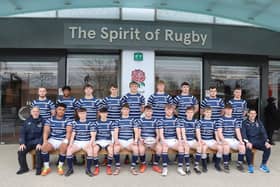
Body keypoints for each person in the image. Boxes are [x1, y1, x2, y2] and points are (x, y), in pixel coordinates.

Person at [40, 103, 72, 176]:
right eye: (59, 109)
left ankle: (60, 167)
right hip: (53, 139)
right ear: (56, 110)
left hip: (62, 139)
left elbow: (68, 132)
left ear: (65, 111)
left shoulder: (68, 120)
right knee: (44, 147)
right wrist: (45, 141)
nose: (61, 111)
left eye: (63, 110)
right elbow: (46, 131)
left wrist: (66, 141)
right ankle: (46, 167)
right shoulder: (50, 119)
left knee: (64, 147)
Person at [65, 108, 95, 177]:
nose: (82, 115)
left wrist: (90, 144)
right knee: (69, 151)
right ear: (78, 114)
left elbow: (93, 135)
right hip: (77, 142)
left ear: (86, 113)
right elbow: (73, 134)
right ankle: (70, 169)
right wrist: (70, 144)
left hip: (87, 141)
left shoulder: (90, 123)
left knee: (90, 151)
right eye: (80, 113)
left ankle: (88, 170)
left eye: (84, 113)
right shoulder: (75, 123)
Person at [120, 81, 145, 164]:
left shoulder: (141, 96)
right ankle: (127, 157)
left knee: (136, 138)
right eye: (132, 86)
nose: (134, 87)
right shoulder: (126, 96)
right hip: (128, 119)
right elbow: (124, 107)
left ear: (137, 87)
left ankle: (136, 157)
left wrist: (137, 115)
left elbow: (142, 108)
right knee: (128, 137)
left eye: (135, 86)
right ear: (130, 87)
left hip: (137, 119)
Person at [216, 104, 245, 173]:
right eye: (227, 109)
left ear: (232, 110)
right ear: (225, 110)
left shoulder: (235, 120)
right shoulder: (221, 119)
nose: (229, 111)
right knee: (226, 147)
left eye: (230, 109)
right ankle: (226, 164)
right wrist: (223, 140)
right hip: (224, 138)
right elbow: (219, 132)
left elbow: (237, 131)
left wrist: (241, 141)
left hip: (232, 139)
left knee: (242, 147)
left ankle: (239, 164)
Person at [158, 104, 185, 176]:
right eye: (167, 110)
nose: (169, 111)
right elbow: (161, 133)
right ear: (165, 110)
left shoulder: (176, 120)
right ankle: (165, 168)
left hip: (173, 140)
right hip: (165, 139)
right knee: (164, 148)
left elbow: (178, 131)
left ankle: (180, 168)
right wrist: (163, 141)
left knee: (181, 148)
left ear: (173, 111)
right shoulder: (161, 120)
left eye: (170, 110)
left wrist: (179, 140)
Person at [242, 109, 272, 173]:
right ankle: (250, 166)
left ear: (256, 115)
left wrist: (266, 141)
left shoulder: (259, 122)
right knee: (248, 147)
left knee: (268, 147)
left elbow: (264, 133)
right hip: (249, 141)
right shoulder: (244, 123)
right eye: (251, 113)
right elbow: (243, 134)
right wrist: (247, 142)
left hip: (258, 141)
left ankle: (263, 165)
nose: (253, 115)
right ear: (248, 114)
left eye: (254, 113)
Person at [113, 104, 140, 175]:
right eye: (124, 109)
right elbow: (116, 132)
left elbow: (136, 131)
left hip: (130, 141)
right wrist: (116, 140)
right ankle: (117, 167)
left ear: (129, 110)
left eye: (127, 109)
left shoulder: (133, 120)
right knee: (115, 149)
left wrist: (136, 140)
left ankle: (133, 167)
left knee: (136, 149)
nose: (125, 111)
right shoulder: (117, 120)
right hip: (121, 141)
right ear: (121, 110)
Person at [17, 107, 44, 175]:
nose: (35, 113)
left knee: (38, 150)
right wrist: (22, 143)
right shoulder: (27, 121)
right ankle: (24, 168)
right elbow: (22, 133)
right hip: (28, 142)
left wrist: (40, 143)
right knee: (20, 151)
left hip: (38, 142)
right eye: (34, 111)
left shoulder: (43, 121)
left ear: (39, 112)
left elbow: (45, 134)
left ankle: (38, 169)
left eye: (37, 111)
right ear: (31, 113)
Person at [196, 106, 223, 172]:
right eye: (207, 112)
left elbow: (216, 133)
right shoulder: (200, 121)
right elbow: (198, 132)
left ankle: (217, 164)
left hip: (211, 140)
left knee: (220, 148)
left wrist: (218, 141)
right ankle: (204, 166)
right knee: (204, 148)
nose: (208, 113)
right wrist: (200, 140)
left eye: (210, 112)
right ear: (204, 113)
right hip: (203, 140)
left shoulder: (214, 122)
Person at [137, 105, 162, 173]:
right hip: (144, 140)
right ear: (144, 112)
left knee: (159, 148)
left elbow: (158, 133)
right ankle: (143, 164)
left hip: (153, 140)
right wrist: (141, 139)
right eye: (147, 111)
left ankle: (155, 165)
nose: (148, 112)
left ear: (152, 112)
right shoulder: (140, 120)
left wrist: (156, 140)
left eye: (150, 111)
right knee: (141, 149)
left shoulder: (155, 121)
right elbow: (138, 133)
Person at [178, 106, 202, 174]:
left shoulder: (196, 121)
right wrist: (185, 142)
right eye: (188, 112)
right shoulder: (182, 121)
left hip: (192, 140)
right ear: (186, 113)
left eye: (191, 112)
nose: (190, 114)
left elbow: (197, 132)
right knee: (186, 148)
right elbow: (183, 132)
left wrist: (199, 140)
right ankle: (187, 167)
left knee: (199, 147)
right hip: (185, 140)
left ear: (193, 113)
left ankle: (196, 166)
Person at [92, 107, 115, 176]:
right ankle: (96, 167)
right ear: (99, 114)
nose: (103, 114)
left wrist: (112, 142)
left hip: (108, 140)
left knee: (111, 150)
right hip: (99, 141)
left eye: (105, 113)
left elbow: (113, 134)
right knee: (94, 150)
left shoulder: (110, 122)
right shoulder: (96, 123)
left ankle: (109, 167)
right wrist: (93, 142)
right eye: (102, 113)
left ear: (107, 114)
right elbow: (94, 134)